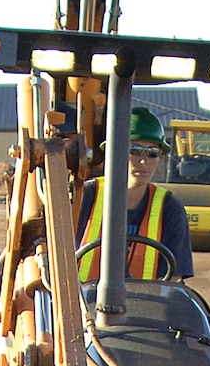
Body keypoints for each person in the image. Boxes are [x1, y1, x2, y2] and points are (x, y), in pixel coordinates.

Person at [77, 107, 194, 284]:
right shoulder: (85, 197)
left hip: (146, 307)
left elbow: (173, 282)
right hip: (80, 306)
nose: (143, 161)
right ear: (113, 152)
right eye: (135, 150)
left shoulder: (169, 208)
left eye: (152, 153)